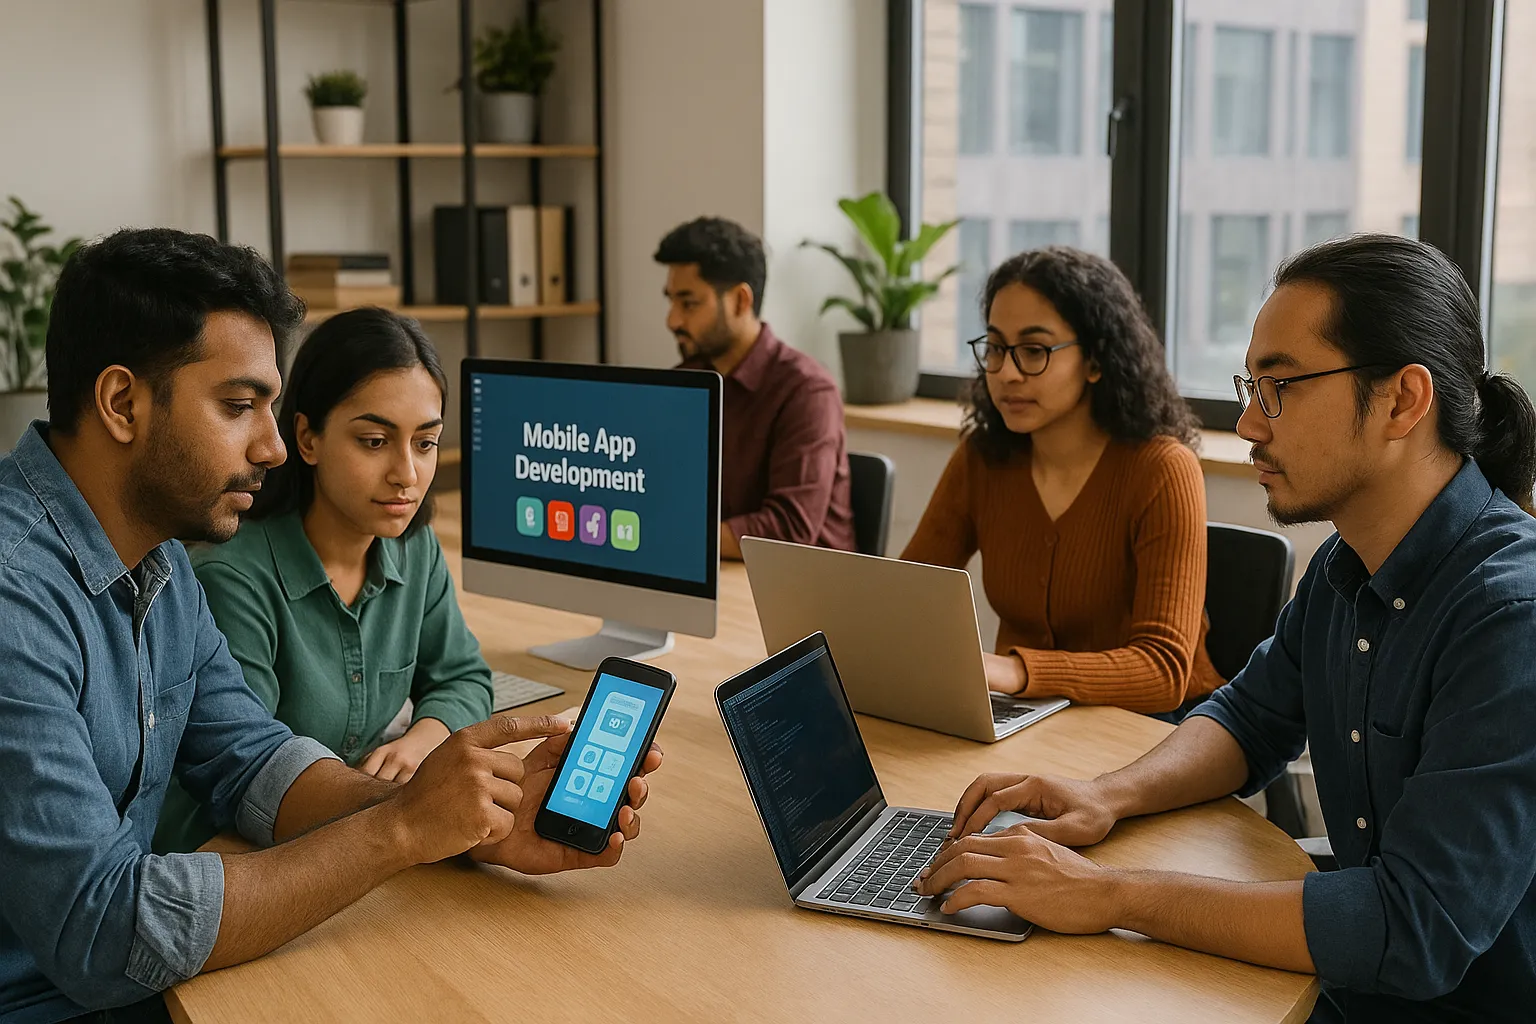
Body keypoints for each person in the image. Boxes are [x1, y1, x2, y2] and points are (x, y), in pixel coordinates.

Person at [0, 229, 660, 1024]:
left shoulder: (158, 562)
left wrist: (469, 822)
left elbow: (253, 763)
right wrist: (399, 833)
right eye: (238, 406)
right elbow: (104, 933)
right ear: (121, 403)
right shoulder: (15, 599)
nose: (276, 446)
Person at [914, 235, 1536, 1022]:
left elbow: (1412, 929)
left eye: (1281, 386)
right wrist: (1106, 796)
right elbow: (1250, 717)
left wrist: (1107, 895)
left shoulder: (1509, 615)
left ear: (1403, 401)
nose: (1247, 421)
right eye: (1252, 384)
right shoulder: (1351, 563)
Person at [154, 308, 493, 854]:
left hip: (355, 827)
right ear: (307, 438)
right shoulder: (234, 578)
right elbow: (244, 776)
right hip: (245, 844)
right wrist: (402, 808)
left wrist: (424, 740)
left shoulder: (413, 547)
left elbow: (463, 677)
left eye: (425, 443)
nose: (407, 474)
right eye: (375, 441)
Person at [902, 246, 1223, 715]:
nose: (1007, 373)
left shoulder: (1162, 469)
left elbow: (1163, 671)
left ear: (1096, 360)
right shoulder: (982, 458)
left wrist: (1018, 671)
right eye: (995, 348)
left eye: (1034, 351)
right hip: (1022, 716)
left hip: (1148, 726)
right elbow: (908, 592)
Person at [655, 216, 855, 557]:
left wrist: (672, 534)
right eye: (670, 301)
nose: (672, 320)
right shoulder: (688, 379)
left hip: (801, 595)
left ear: (740, 301)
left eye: (688, 304)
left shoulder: (807, 391)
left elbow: (790, 529)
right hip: (721, 576)